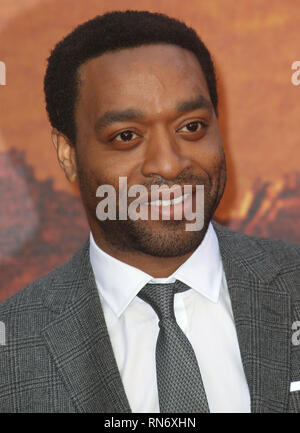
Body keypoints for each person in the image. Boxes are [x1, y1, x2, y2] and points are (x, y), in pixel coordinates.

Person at [0, 10, 299, 414]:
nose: (170, 164)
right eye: (127, 136)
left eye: (191, 127)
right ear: (67, 154)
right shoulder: (12, 348)